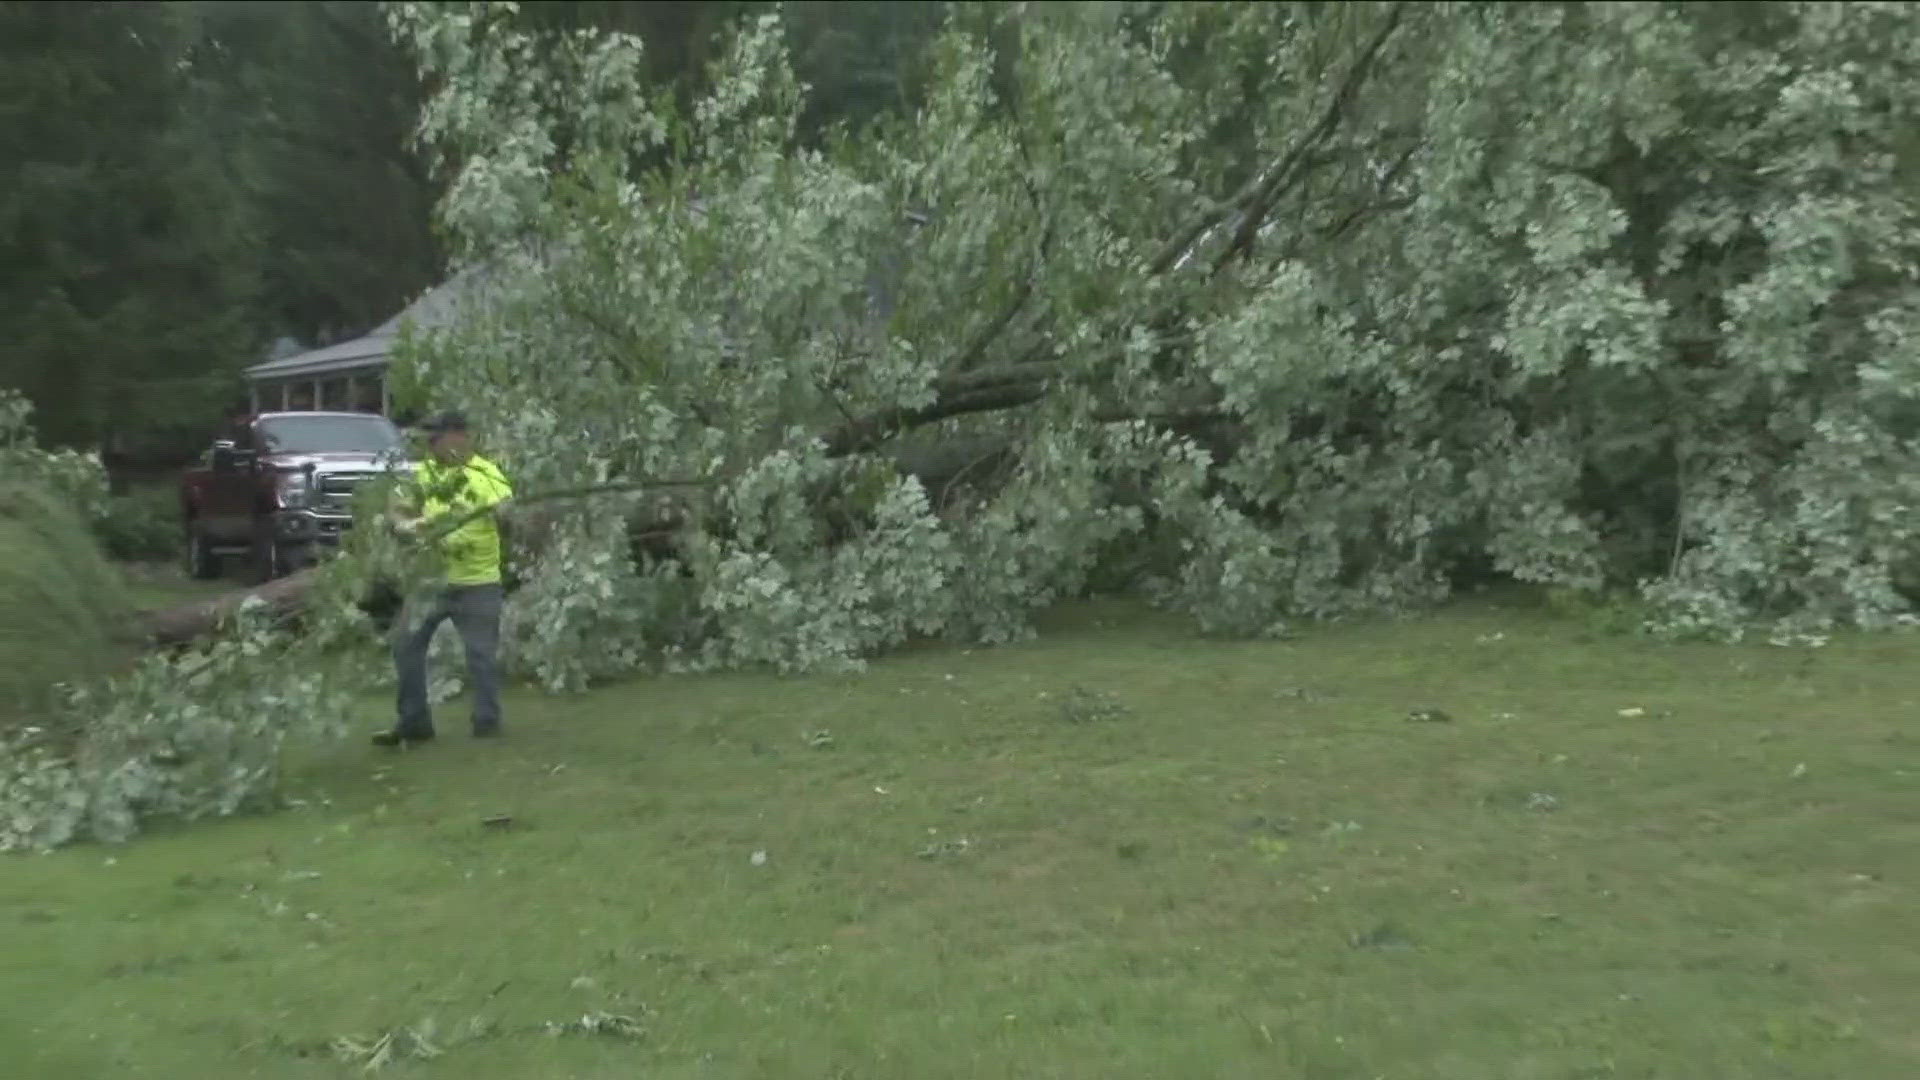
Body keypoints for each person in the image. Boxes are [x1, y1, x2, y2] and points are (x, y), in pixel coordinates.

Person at [373, 410, 514, 747]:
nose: (430, 444)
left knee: (480, 654)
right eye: (428, 439)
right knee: (406, 646)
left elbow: (509, 517)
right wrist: (405, 525)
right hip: (430, 581)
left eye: (436, 437)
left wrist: (501, 514)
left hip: (478, 580)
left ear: (460, 436)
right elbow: (397, 510)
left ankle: (487, 723)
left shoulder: (485, 473)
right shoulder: (423, 474)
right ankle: (413, 723)